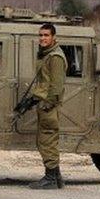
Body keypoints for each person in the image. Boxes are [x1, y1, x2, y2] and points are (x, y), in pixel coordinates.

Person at [29, 23, 67, 189]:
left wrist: (47, 104)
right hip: (45, 103)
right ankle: (57, 178)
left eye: (46, 35)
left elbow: (57, 86)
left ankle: (50, 179)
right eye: (41, 35)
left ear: (53, 37)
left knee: (47, 140)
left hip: (49, 105)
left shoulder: (55, 57)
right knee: (46, 139)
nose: (43, 38)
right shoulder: (47, 54)